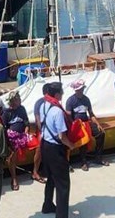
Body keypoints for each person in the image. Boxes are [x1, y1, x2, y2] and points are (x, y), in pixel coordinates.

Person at [38, 82, 73, 218]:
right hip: (55, 149)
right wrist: (71, 145)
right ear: (57, 94)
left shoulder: (43, 105)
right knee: (63, 184)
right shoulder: (57, 111)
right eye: (61, 92)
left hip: (45, 145)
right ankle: (61, 215)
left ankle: (47, 205)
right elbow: (62, 136)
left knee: (51, 178)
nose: (63, 94)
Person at [65, 79, 107, 170]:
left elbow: (91, 114)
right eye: (79, 89)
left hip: (86, 122)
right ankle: (83, 161)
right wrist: (74, 125)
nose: (81, 90)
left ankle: (98, 157)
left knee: (101, 133)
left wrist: (98, 124)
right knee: (84, 137)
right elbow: (68, 116)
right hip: (76, 124)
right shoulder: (70, 100)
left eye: (82, 89)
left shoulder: (86, 99)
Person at [3, 91, 30, 191]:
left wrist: (25, 133)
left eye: (17, 100)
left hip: (23, 135)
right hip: (11, 137)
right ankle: (14, 178)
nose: (17, 102)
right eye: (14, 101)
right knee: (12, 153)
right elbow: (4, 128)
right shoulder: (6, 112)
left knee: (38, 146)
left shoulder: (22, 109)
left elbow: (26, 124)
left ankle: (36, 172)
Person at [31, 91, 48, 185]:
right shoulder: (39, 103)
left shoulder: (54, 102)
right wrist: (42, 131)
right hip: (42, 129)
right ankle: (35, 172)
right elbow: (37, 119)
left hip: (51, 129)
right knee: (39, 148)